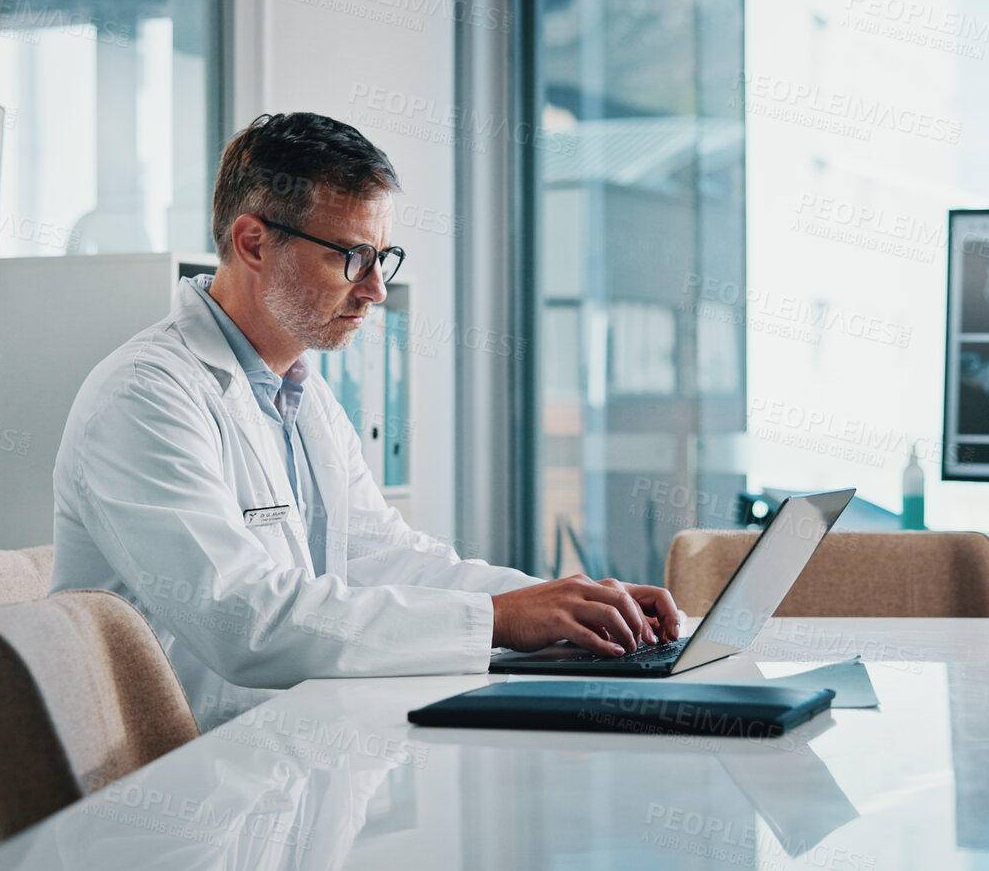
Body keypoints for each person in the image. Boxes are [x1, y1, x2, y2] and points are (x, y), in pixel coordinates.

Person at [52, 112, 680, 729]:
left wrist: (570, 603)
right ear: (253, 243)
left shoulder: (302, 394)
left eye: (384, 257)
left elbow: (389, 558)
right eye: (353, 256)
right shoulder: (144, 397)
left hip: (289, 752)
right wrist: (498, 619)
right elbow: (241, 621)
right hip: (181, 784)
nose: (376, 289)